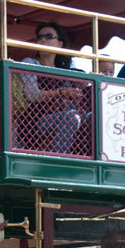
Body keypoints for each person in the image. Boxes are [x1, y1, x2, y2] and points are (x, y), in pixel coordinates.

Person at [17, 22, 83, 153]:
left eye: (48, 36)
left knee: (90, 118)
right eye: (39, 37)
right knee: (70, 118)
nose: (42, 40)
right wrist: (61, 92)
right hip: (35, 122)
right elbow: (32, 95)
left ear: (60, 44)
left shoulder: (63, 71)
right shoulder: (30, 63)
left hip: (61, 116)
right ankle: (59, 159)